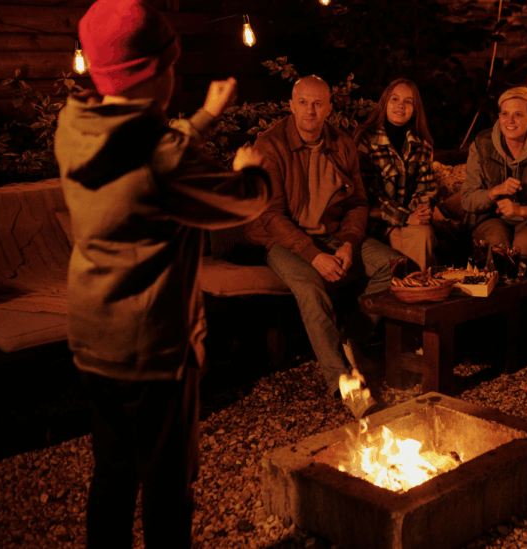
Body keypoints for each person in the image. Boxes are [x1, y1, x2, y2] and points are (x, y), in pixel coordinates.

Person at [55, 1, 271, 547]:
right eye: (171, 61)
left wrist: (203, 118)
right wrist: (252, 172)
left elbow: (147, 145)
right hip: (153, 348)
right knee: (167, 485)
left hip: (92, 335)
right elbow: (241, 201)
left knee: (113, 471)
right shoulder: (162, 158)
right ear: (154, 73)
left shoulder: (75, 124)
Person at [244, 75, 403, 394]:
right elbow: (271, 215)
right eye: (302, 103)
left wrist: (348, 242)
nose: (310, 111)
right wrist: (313, 255)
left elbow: (358, 202)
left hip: (332, 234)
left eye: (318, 103)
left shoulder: (342, 143)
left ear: (330, 107)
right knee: (311, 288)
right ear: (291, 105)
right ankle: (343, 383)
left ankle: (352, 338)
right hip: (281, 239)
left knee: (394, 264)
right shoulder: (270, 144)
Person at [461, 87, 527, 274]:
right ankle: (496, 300)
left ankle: (526, 300)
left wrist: (521, 210)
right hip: (491, 218)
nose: (509, 121)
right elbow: (467, 199)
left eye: (518, 115)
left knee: (525, 244)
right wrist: (495, 191)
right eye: (505, 114)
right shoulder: (482, 144)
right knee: (497, 242)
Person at [354, 78, 440, 272]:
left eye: (408, 101)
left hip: (410, 220)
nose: (401, 105)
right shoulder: (366, 140)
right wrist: (406, 217)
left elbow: (426, 188)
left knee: (423, 233)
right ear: (385, 103)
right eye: (395, 99)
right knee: (422, 237)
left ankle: (417, 289)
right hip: (375, 223)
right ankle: (418, 291)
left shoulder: (422, 145)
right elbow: (366, 194)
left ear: (414, 109)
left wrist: (419, 212)